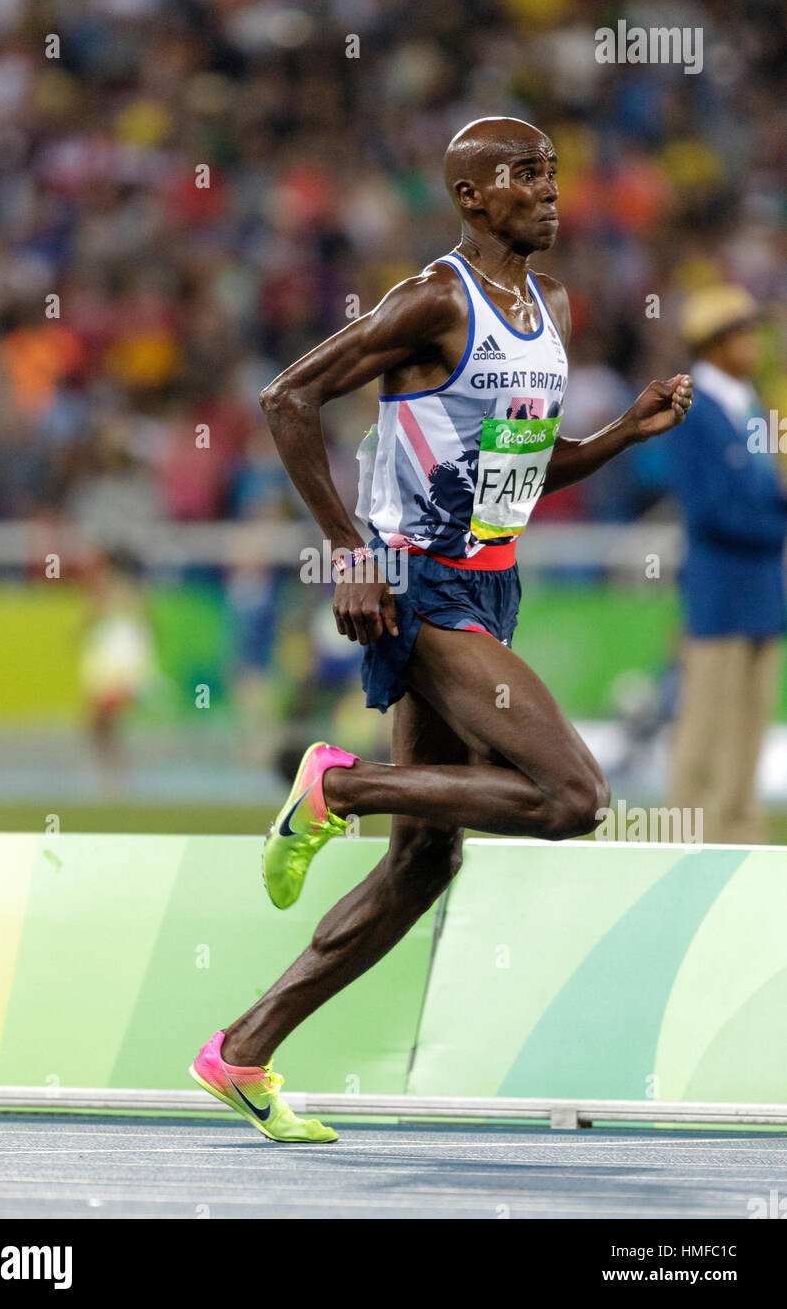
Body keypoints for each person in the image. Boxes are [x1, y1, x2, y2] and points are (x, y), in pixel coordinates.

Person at [189, 118, 693, 1142]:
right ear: (470, 196)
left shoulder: (542, 308)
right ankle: (336, 784)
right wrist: (350, 548)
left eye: (552, 174)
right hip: (417, 588)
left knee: (424, 862)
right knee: (574, 798)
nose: (547, 191)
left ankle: (240, 1049)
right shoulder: (432, 299)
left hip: (488, 582)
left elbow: (518, 470)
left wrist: (616, 436)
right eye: (523, 176)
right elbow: (287, 395)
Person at [668, 285, 786, 843]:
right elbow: (712, 509)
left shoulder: (749, 404)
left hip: (761, 592)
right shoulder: (694, 410)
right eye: (742, 333)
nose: (753, 343)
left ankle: (740, 838)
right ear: (714, 343)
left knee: (748, 730)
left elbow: (764, 491)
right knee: (708, 729)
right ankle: (693, 840)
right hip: (719, 595)